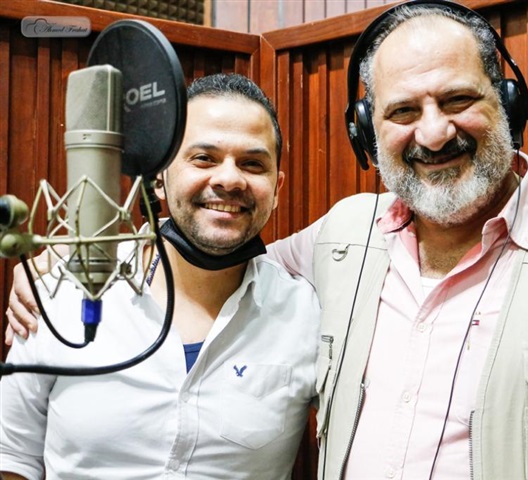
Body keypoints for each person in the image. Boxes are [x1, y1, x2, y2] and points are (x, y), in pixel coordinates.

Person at [6, 1, 528, 479]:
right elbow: (212, 244)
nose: (433, 131)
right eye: (403, 111)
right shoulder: (342, 238)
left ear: (507, 103)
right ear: (366, 133)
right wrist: (67, 259)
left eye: (458, 99)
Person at [0, 73, 320, 479]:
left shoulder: (305, 314)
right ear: (158, 179)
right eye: (204, 158)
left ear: (276, 189)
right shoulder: (62, 288)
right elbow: (11, 457)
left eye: (252, 164)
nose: (229, 179)